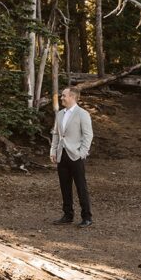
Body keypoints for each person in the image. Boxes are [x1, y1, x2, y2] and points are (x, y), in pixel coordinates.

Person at [50, 85, 94, 227]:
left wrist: (82, 153)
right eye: (62, 95)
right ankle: (68, 215)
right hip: (61, 155)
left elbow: (88, 135)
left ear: (72, 97)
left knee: (81, 186)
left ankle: (87, 217)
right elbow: (56, 134)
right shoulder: (60, 114)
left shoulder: (83, 114)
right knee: (65, 186)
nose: (61, 98)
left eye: (64, 95)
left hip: (76, 155)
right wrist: (53, 151)